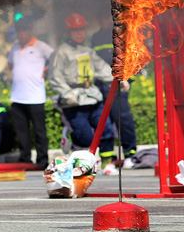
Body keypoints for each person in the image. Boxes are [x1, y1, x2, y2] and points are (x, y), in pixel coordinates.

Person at [48, 13, 117, 174]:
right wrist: (67, 93)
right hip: (73, 99)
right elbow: (55, 77)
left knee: (105, 129)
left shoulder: (88, 51)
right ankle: (74, 146)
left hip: (92, 95)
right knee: (84, 136)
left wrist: (118, 81)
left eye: (82, 30)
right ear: (68, 32)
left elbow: (101, 68)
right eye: (75, 30)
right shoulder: (61, 53)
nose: (80, 33)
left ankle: (108, 164)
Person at [91, 14, 137, 168]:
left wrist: (126, 78)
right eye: (102, 18)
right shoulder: (96, 37)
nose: (105, 21)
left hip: (119, 83)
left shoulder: (122, 35)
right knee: (103, 120)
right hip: (101, 83)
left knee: (122, 118)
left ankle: (130, 154)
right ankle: (107, 158)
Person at [7, 18, 54, 169]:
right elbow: (10, 64)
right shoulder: (14, 48)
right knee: (22, 132)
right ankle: (25, 158)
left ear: (30, 30)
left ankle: (42, 159)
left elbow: (55, 59)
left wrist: (45, 72)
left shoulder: (41, 46)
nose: (22, 33)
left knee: (40, 131)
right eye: (20, 30)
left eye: (25, 30)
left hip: (35, 97)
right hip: (17, 97)